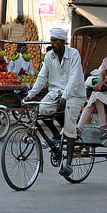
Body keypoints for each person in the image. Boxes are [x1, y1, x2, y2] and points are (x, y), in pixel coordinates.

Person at [23, 27, 85, 177]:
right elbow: (42, 77)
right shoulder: (49, 56)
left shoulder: (74, 54)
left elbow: (74, 78)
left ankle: (68, 163)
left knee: (70, 124)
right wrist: (30, 95)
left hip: (74, 93)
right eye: (52, 40)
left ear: (63, 42)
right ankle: (57, 135)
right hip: (55, 92)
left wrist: (65, 96)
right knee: (42, 110)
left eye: (56, 40)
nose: (53, 43)